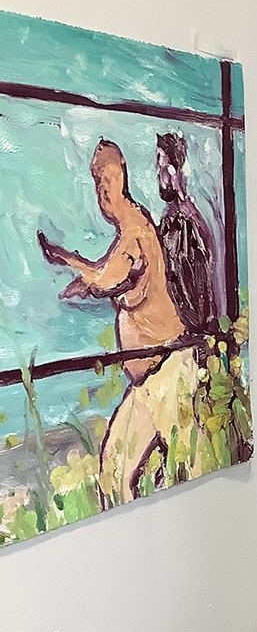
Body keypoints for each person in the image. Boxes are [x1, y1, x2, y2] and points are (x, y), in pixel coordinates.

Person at [38, 139, 206, 505]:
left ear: (117, 181)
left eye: (104, 183)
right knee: (114, 472)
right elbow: (109, 275)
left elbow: (107, 278)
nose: (101, 194)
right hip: (147, 381)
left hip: (169, 372)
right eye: (98, 184)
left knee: (192, 466)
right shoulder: (130, 231)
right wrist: (79, 272)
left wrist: (67, 259)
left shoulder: (136, 229)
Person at [156, 132, 219, 336]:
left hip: (192, 320)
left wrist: (180, 191)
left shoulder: (184, 219)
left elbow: (198, 264)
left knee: (189, 279)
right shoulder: (171, 218)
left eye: (161, 158)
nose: (158, 168)